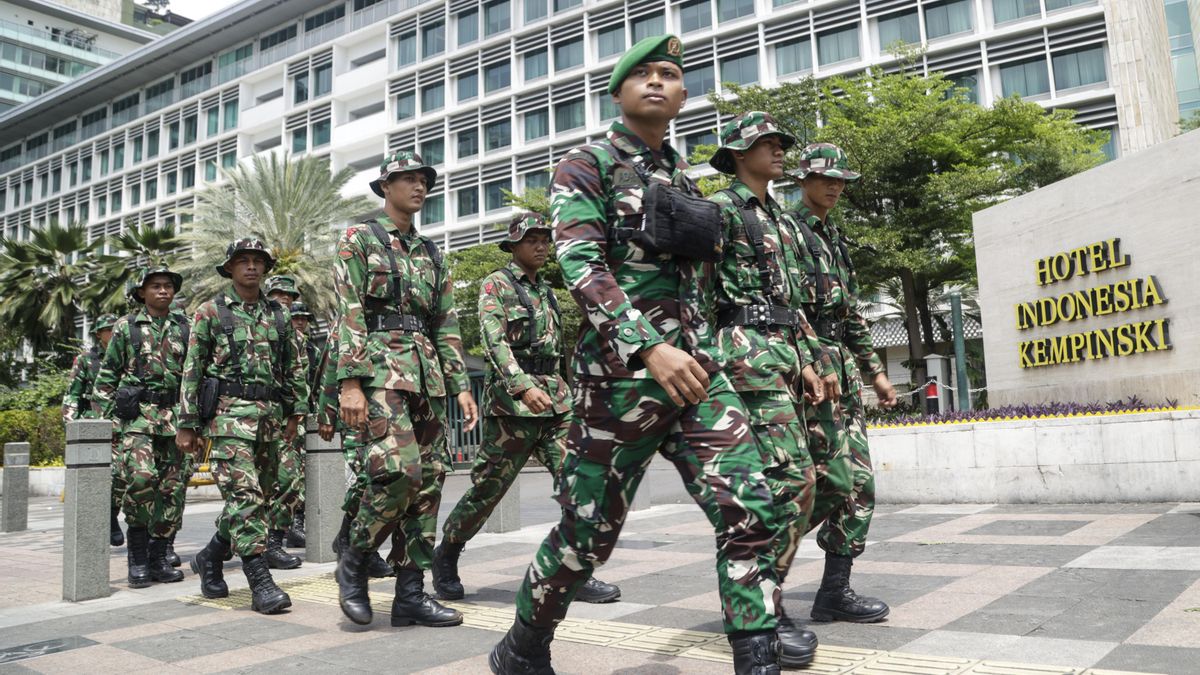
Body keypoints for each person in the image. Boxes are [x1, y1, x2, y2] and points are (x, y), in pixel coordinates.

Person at [489, 35, 784, 675]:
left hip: (699, 375)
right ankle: (523, 645)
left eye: (670, 75)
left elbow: (707, 286)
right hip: (619, 382)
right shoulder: (585, 165)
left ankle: (756, 653)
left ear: (682, 96)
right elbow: (579, 262)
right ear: (619, 93)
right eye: (642, 74)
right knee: (587, 535)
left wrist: (715, 354)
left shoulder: (689, 182)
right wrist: (648, 346)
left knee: (752, 507)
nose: (657, 82)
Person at [431, 212, 621, 605]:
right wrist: (521, 386)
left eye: (544, 239)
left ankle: (574, 572)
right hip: (513, 409)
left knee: (578, 484)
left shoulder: (548, 291)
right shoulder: (496, 284)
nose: (539, 246)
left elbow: (560, 351)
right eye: (531, 239)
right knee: (487, 490)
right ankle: (447, 553)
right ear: (513, 245)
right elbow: (493, 339)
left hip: (557, 402)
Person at [708, 112, 835, 669]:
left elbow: (793, 303)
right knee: (776, 487)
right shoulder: (721, 208)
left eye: (782, 142)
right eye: (767, 143)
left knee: (802, 482)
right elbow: (698, 289)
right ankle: (762, 610)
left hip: (782, 355)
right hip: (742, 357)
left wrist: (812, 358)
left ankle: (764, 595)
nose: (780, 151)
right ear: (739, 152)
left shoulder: (781, 217)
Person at [333, 151, 479, 629]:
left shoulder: (433, 253)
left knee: (430, 482)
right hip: (379, 371)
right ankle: (353, 561)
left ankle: (410, 593)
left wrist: (460, 385)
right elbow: (348, 310)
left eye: (423, 180)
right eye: (407, 179)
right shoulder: (359, 238)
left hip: (428, 376)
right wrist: (350, 383)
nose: (418, 187)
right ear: (385, 186)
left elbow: (447, 323)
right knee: (398, 471)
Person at [788, 143, 898, 624]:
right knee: (814, 484)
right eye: (825, 178)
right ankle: (753, 569)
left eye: (841, 181)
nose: (834, 186)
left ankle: (835, 590)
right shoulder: (787, 231)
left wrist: (874, 371)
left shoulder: (835, 237)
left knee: (858, 484)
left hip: (842, 373)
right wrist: (813, 361)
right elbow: (785, 309)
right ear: (802, 180)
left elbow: (851, 313)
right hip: (803, 373)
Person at [179, 239, 309, 615]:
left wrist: (295, 414)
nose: (251, 267)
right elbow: (192, 370)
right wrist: (187, 424)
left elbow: (292, 369)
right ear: (230, 268)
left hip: (269, 419)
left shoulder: (280, 316)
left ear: (265, 269)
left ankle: (209, 556)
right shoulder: (210, 312)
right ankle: (261, 584)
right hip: (227, 419)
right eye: (243, 261)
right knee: (246, 498)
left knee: (257, 502)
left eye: (257, 261)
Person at [93, 266, 190, 588]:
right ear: (142, 293)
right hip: (137, 418)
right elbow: (106, 379)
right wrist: (108, 426)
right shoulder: (126, 328)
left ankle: (159, 557)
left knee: (173, 489)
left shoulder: (185, 327)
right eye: (156, 286)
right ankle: (137, 557)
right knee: (141, 479)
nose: (163, 291)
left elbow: (195, 376)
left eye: (168, 287)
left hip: (175, 418)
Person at [312, 321, 394, 579]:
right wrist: (326, 414)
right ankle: (349, 540)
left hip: (389, 410)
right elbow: (329, 369)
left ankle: (359, 544)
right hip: (354, 414)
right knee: (365, 478)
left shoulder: (390, 318)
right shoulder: (347, 322)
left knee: (385, 479)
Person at [63, 313, 124, 547]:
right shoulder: (86, 360)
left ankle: (110, 514)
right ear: (99, 334)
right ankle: (101, 522)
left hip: (124, 425)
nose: (113, 333)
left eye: (115, 328)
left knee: (121, 476)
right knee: (99, 476)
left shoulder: (128, 355)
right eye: (108, 329)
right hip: (94, 425)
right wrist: (73, 427)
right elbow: (73, 395)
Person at [264, 275, 309, 557]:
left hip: (286, 419)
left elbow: (299, 378)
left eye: (290, 295)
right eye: (279, 293)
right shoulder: (254, 322)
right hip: (247, 419)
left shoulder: (293, 334)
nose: (285, 298)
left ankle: (274, 543)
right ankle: (216, 550)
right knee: (251, 488)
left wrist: (299, 413)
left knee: (290, 481)